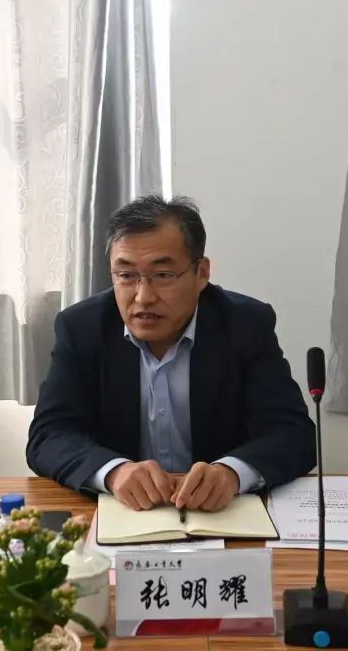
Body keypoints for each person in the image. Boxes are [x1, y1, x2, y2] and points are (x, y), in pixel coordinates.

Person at [26, 195, 316, 512]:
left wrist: (232, 473)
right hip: (121, 514)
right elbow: (49, 436)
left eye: (163, 275)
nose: (143, 297)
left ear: (201, 273)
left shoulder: (245, 325)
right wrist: (114, 472)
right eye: (126, 275)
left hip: (221, 514)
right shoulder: (82, 328)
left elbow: (293, 434)